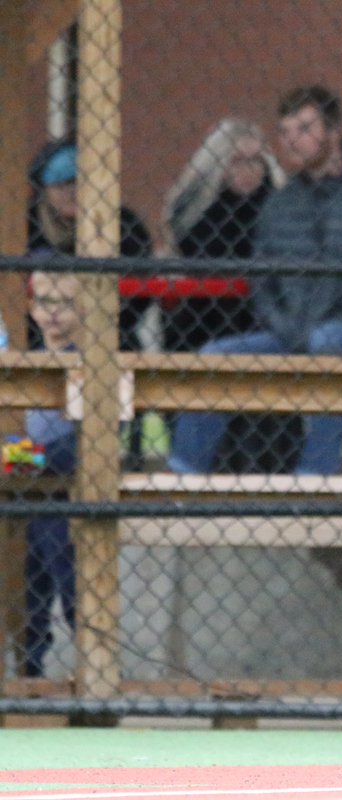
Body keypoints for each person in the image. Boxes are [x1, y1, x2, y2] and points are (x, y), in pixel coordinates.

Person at [167, 86, 342, 475]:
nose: (292, 140)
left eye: (304, 128)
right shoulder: (282, 204)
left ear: (333, 130)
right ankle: (179, 481)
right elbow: (263, 284)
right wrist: (285, 324)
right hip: (290, 335)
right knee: (214, 358)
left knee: (329, 340)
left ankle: (313, 482)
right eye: (286, 131)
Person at [161, 118, 288, 351]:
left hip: (261, 321)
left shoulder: (278, 207)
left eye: (256, 161)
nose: (248, 170)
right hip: (200, 320)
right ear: (219, 163)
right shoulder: (198, 212)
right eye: (238, 161)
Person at [26, 140, 153, 351]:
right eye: (60, 184)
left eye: (78, 182)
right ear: (44, 190)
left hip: (111, 331)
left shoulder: (123, 224)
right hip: (38, 333)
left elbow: (140, 291)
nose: (72, 191)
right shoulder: (28, 224)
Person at [19, 270, 83, 676]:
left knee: (63, 569)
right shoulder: (29, 362)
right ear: (31, 308)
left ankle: (44, 663)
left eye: (64, 301)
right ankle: (31, 666)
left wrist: (15, 458)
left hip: (70, 494)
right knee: (33, 574)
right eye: (44, 301)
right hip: (33, 493)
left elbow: (80, 446)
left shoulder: (90, 361)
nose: (53, 312)